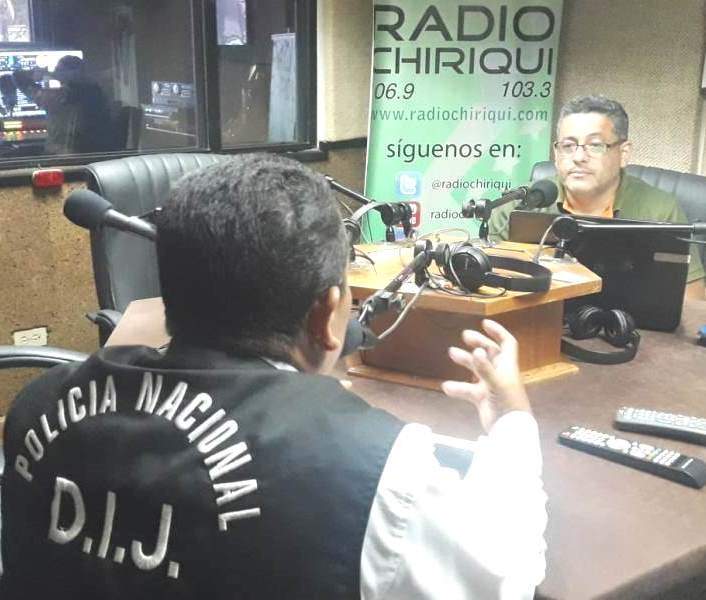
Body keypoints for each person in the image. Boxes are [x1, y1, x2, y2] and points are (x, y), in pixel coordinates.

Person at [0, 154, 547, 599]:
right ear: (327, 315)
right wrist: (512, 422)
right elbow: (504, 577)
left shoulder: (35, 406)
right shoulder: (368, 469)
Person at [488, 94, 705, 298]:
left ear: (623, 153)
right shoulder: (520, 205)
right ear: (556, 153)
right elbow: (487, 288)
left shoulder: (660, 211)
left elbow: (692, 301)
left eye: (595, 145)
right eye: (568, 146)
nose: (578, 157)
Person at [12, 54, 112, 154]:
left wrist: (44, 73)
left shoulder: (59, 97)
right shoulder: (95, 91)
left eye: (58, 70)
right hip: (92, 152)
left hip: (64, 154)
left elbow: (18, 77)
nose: (56, 72)